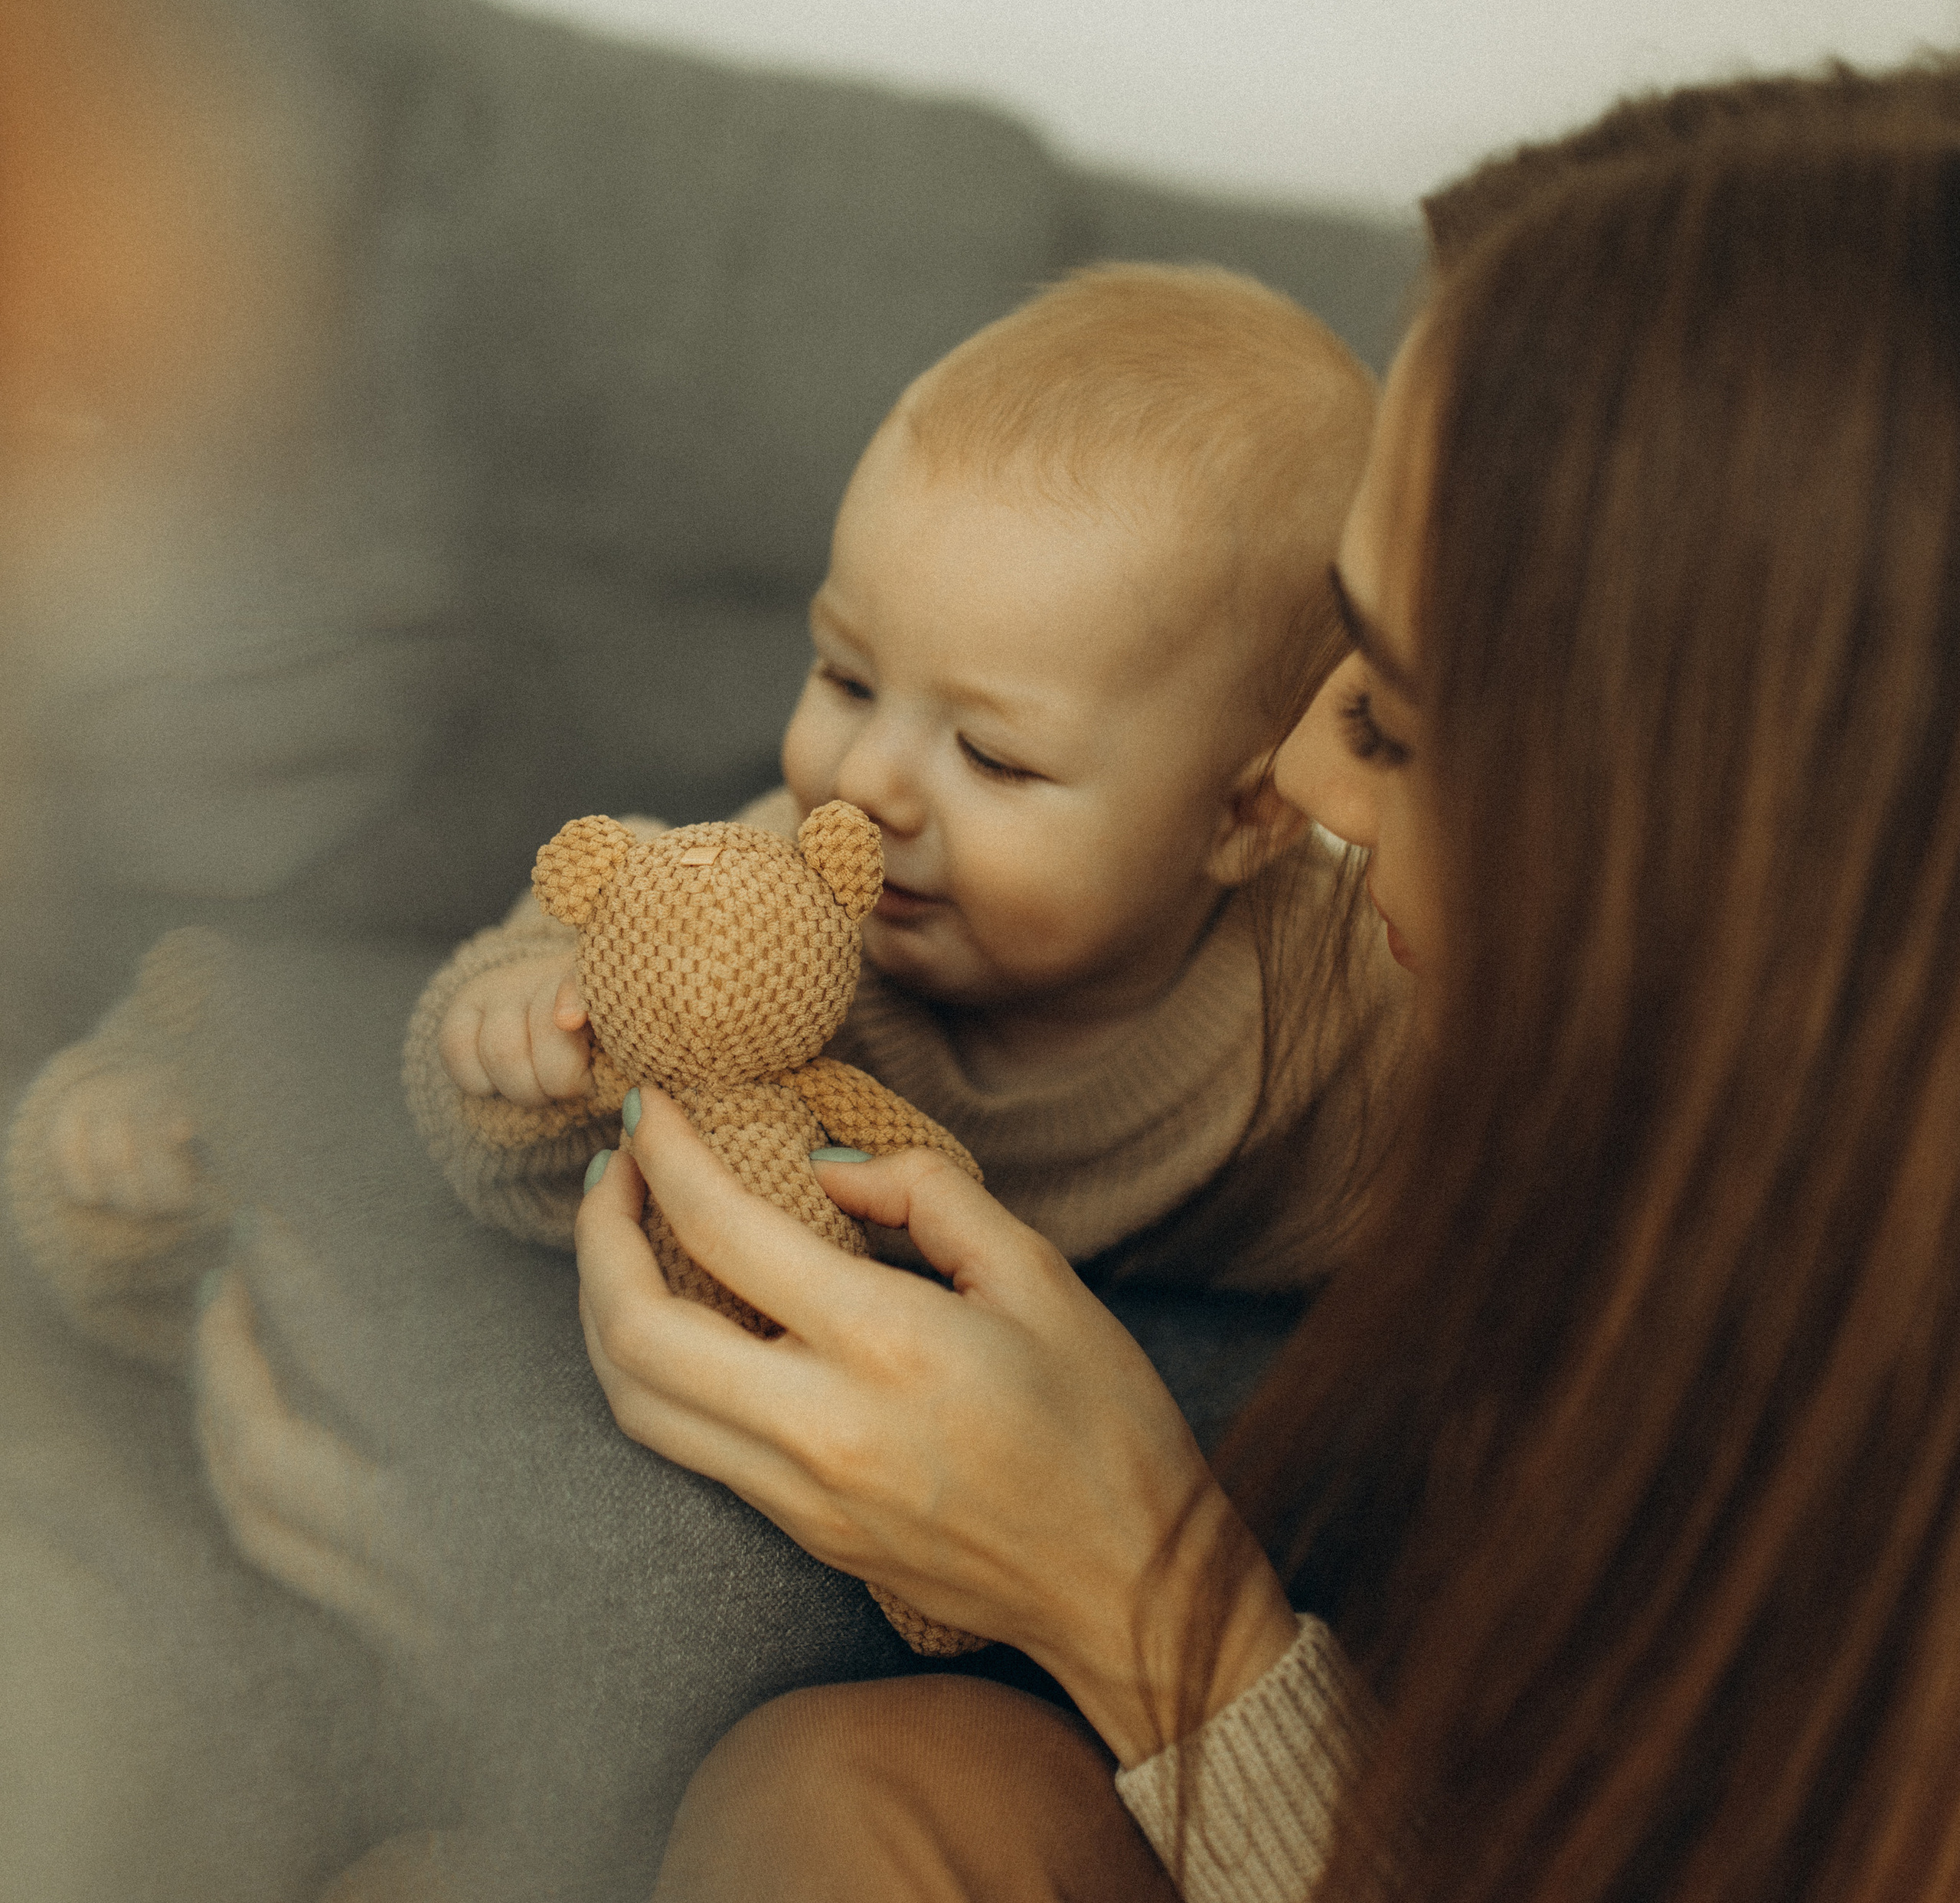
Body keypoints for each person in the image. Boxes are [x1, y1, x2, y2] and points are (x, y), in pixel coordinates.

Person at [511, 92, 1960, 1903]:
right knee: (867, 1815)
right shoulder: (1651, 1193)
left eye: (1382, 710)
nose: (1288, 796)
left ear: (1719, 854)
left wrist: (1150, 1602)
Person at [8, 266, 1406, 1372]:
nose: (869, 786)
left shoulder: (1342, 995)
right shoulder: (755, 906)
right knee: (312, 1124)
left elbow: (1499, 1163)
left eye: (994, 755)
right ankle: (169, 1107)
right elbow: (519, 1116)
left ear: (1248, 817)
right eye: (846, 677)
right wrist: (518, 1046)